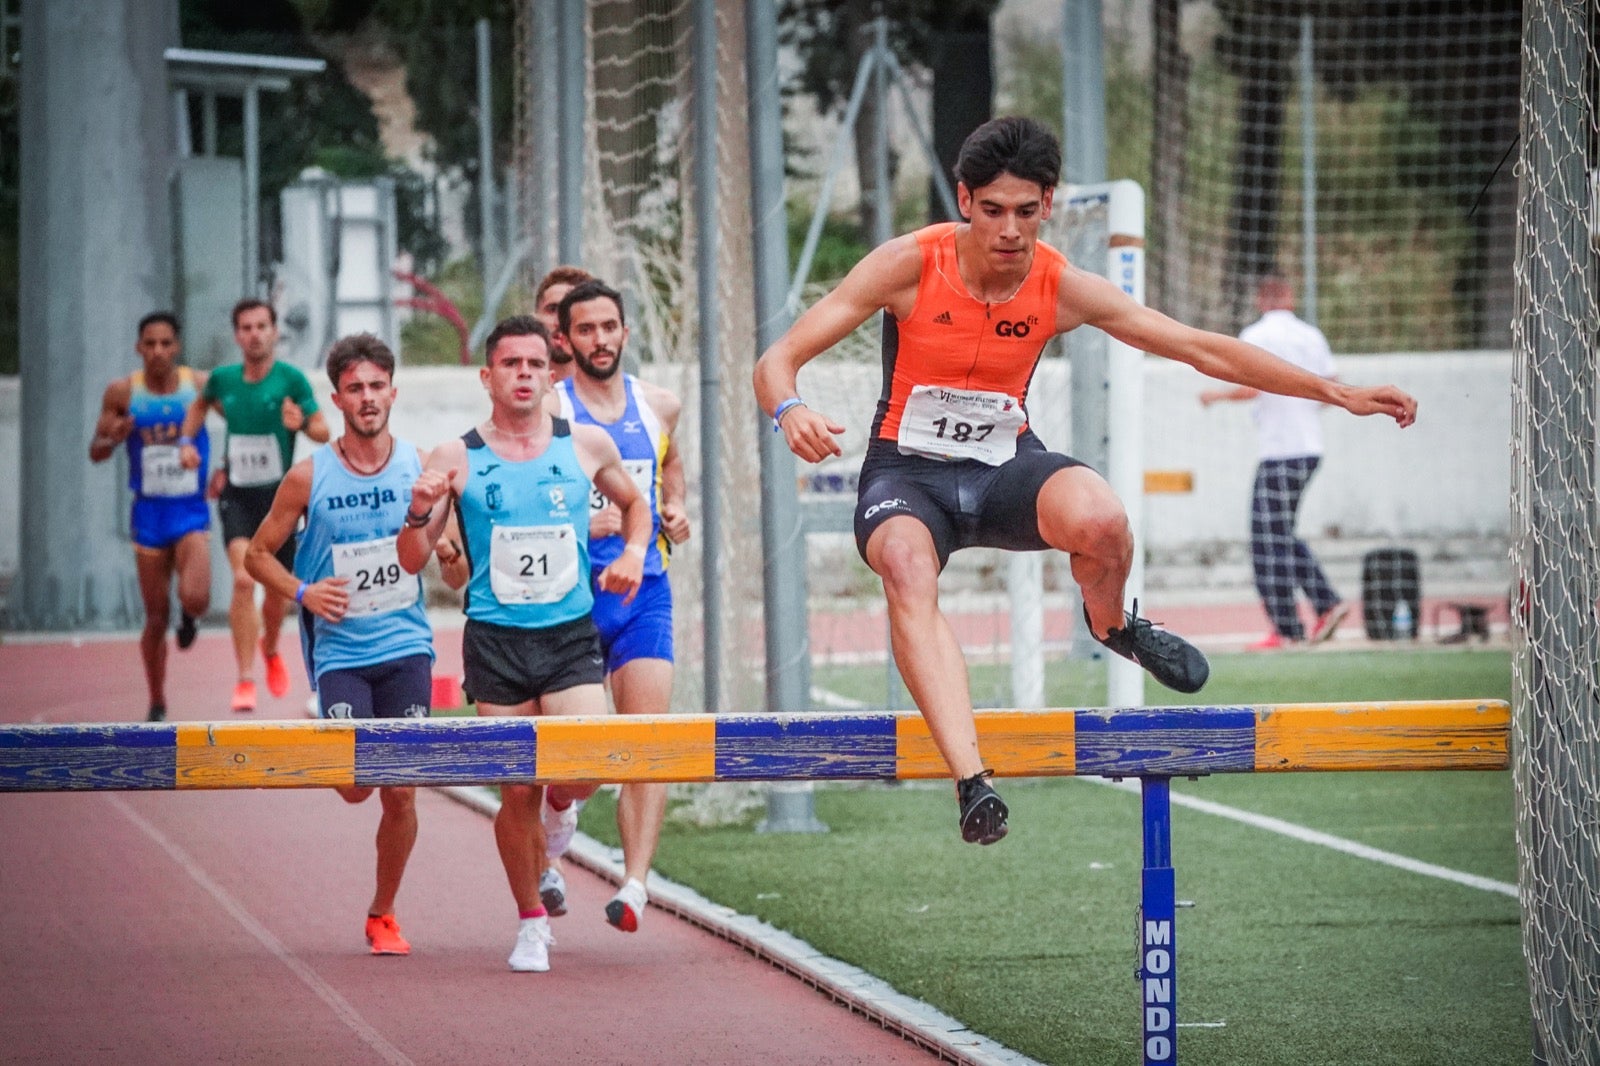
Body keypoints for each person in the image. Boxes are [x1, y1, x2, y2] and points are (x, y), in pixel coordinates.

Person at [752, 116, 1417, 846]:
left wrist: (1337, 392)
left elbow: (1202, 350)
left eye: (1028, 212)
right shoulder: (908, 264)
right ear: (966, 200)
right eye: (994, 210)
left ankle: (1113, 625)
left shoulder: (1061, 286)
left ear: (1050, 204)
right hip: (907, 477)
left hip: (1006, 467)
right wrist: (789, 409)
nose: (1010, 230)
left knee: (1102, 519)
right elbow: (776, 360)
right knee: (908, 569)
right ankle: (973, 782)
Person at [396, 315, 652, 973]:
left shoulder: (585, 444)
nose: (525, 376)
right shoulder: (452, 458)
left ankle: (563, 812)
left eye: (536, 365)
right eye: (512, 365)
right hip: (496, 641)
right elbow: (409, 559)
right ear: (488, 376)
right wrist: (421, 510)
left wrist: (630, 550)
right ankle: (532, 922)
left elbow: (637, 504)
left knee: (587, 763)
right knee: (516, 791)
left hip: (568, 637)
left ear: (551, 373)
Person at [244, 333, 434, 957]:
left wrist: (451, 550)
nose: (368, 397)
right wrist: (303, 592)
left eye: (378, 385)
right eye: (356, 388)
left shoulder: (417, 465)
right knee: (356, 787)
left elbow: (445, 545)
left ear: (393, 392)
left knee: (400, 788)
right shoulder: (309, 475)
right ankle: (325, 717)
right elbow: (256, 555)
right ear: (338, 398)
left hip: (406, 644)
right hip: (342, 653)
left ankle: (384, 912)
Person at [539, 279, 692, 933]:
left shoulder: (660, 404)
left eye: (610, 327)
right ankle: (555, 819)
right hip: (571, 599)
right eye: (586, 330)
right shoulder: (549, 410)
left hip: (645, 592)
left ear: (625, 333)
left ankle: (634, 884)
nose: (600, 340)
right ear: (565, 340)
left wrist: (676, 507)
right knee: (582, 763)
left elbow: (671, 464)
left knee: (645, 743)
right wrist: (585, 523)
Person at [179, 298, 330, 713]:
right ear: (237, 335)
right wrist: (186, 443)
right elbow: (199, 404)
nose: (254, 334)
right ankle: (245, 678)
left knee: (277, 590)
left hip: (280, 502)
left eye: (262, 326)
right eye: (246, 327)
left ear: (274, 331)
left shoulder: (291, 380)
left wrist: (301, 424)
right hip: (238, 497)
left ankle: (269, 648)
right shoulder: (224, 380)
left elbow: (322, 429)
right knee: (245, 579)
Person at [1200, 276, 1350, 649]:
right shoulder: (1311, 335)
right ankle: (1321, 607)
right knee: (1279, 533)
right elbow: (1332, 385)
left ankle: (1288, 626)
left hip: (1280, 450)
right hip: (1310, 447)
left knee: (1266, 539)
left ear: (1260, 299)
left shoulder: (1257, 335)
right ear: (1290, 296)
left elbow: (1253, 384)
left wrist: (1217, 395)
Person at [88, 312, 212, 722]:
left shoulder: (198, 386)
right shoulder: (123, 392)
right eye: (150, 343)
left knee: (196, 596)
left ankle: (191, 618)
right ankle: (157, 699)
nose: (158, 351)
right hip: (150, 513)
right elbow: (97, 450)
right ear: (139, 348)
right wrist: (114, 436)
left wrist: (228, 467)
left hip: (190, 508)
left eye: (165, 343)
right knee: (155, 617)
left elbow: (243, 420)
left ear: (176, 347)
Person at [532, 265, 594, 384]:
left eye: (573, 310)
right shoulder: (514, 392)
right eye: (552, 309)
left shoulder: (617, 397)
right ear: (536, 318)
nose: (561, 321)